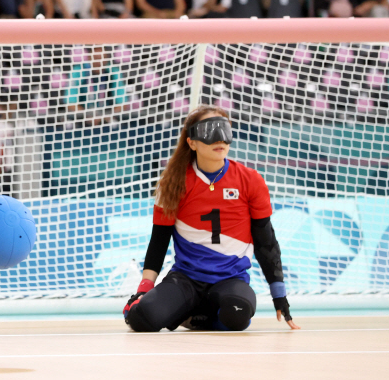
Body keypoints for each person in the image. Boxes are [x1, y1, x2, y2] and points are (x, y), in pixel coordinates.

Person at [123, 106, 299, 333]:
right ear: (192, 142)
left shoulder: (250, 180)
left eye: (225, 130)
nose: (220, 139)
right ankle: (184, 308)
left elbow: (266, 242)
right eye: (210, 130)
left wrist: (279, 295)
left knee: (237, 314)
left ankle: (195, 316)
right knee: (143, 319)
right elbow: (159, 240)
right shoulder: (173, 182)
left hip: (231, 280)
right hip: (186, 279)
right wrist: (144, 289)